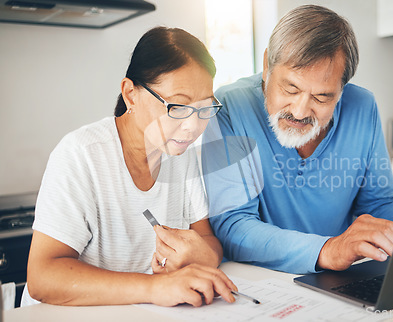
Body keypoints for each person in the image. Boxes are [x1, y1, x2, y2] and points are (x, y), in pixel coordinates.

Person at [22, 26, 237, 307]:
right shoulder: (81, 154)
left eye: (205, 108)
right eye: (177, 107)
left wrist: (203, 256)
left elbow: (207, 239)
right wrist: (155, 287)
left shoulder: (181, 154)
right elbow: (42, 277)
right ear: (130, 94)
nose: (193, 126)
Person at [202, 5, 393, 275]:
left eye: (322, 97)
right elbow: (234, 226)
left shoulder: (363, 106)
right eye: (290, 88)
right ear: (266, 66)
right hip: (260, 282)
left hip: (339, 277)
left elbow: (381, 204)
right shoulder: (228, 107)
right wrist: (327, 250)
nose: (299, 111)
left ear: (342, 89)